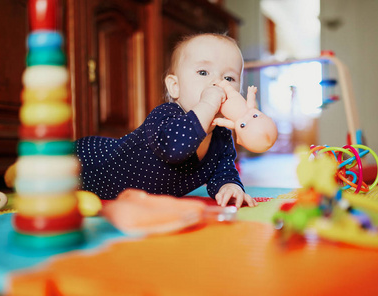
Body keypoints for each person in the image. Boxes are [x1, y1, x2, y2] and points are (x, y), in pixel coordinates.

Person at [75, 33, 257, 208]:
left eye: (229, 78)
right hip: (89, 162)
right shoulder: (165, 116)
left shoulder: (222, 136)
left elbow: (224, 172)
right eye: (203, 72)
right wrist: (208, 104)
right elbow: (175, 148)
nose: (218, 83)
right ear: (175, 87)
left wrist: (230, 187)